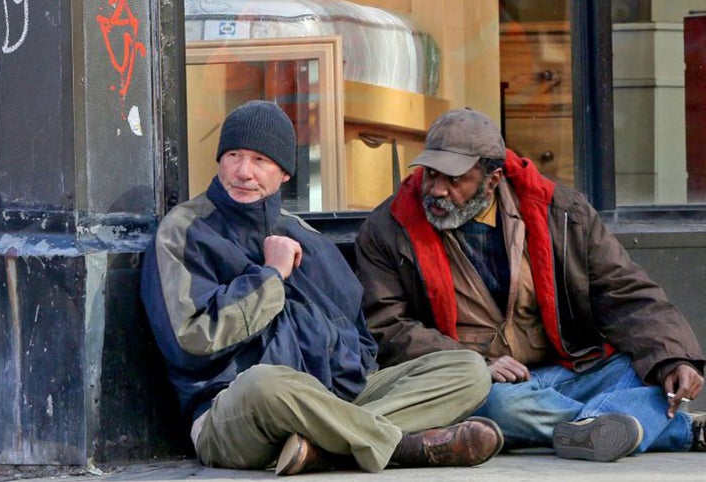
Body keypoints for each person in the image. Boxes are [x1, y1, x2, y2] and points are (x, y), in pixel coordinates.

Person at [140, 100, 504, 476]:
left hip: (328, 397)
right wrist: (271, 277)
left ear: (284, 173)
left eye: (260, 160)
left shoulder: (308, 237)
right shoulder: (184, 230)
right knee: (266, 383)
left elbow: (360, 339)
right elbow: (191, 340)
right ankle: (399, 445)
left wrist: (345, 373)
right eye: (234, 155)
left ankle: (329, 445)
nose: (243, 172)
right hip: (232, 409)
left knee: (468, 369)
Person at [355, 107, 706, 462]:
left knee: (644, 372)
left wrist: (673, 358)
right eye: (430, 174)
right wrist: (474, 362)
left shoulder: (562, 212)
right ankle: (654, 426)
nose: (436, 190)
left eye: (453, 179)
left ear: (492, 180)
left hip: (570, 370)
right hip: (484, 383)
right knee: (494, 406)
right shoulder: (388, 227)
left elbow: (626, 292)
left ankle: (601, 424)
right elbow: (388, 326)